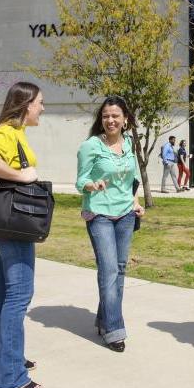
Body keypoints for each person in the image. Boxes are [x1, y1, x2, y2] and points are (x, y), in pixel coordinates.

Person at [0, 81, 45, 388]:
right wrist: (23, 175)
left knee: (4, 293)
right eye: (40, 103)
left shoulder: (16, 132)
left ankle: (5, 359)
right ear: (26, 104)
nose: (43, 109)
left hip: (9, 224)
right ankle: (10, 377)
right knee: (19, 295)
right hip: (12, 226)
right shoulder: (6, 131)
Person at [75, 96, 145, 352]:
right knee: (109, 270)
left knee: (120, 269)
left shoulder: (129, 144)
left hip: (126, 213)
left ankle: (104, 319)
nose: (110, 120)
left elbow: (133, 180)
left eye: (115, 115)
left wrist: (136, 203)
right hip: (99, 213)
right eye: (106, 116)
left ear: (125, 119)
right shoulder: (91, 146)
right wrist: (92, 185)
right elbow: (80, 180)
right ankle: (115, 329)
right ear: (100, 119)